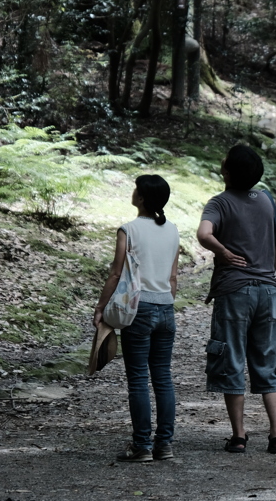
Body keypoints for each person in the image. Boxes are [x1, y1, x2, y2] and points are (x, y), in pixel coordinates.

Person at [197, 145, 276, 454]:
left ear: (228, 172)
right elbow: (275, 245)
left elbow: (204, 234)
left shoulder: (219, 203)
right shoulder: (265, 200)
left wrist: (222, 252)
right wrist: (265, 271)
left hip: (234, 291)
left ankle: (239, 436)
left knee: (232, 359)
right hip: (268, 291)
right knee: (267, 361)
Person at [94, 175, 180, 462]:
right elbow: (172, 278)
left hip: (137, 310)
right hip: (166, 309)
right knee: (163, 378)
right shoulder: (173, 230)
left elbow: (116, 273)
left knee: (139, 379)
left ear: (141, 198)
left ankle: (142, 446)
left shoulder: (128, 230)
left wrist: (100, 308)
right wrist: (164, 302)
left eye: (136, 190)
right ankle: (164, 445)